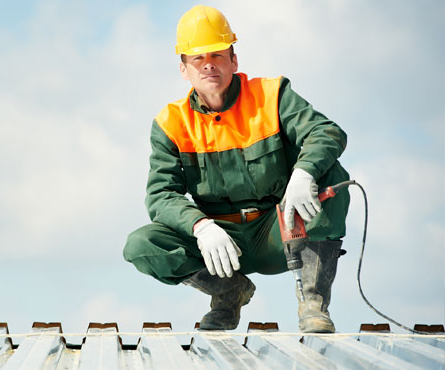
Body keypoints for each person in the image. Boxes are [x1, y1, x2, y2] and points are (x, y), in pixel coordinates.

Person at [123, 5, 350, 333]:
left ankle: (313, 302)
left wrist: (304, 172)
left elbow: (327, 133)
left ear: (234, 60)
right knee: (141, 245)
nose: (209, 64)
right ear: (184, 69)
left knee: (332, 176)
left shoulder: (272, 96)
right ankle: (229, 293)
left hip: (281, 232)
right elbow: (160, 196)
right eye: (197, 58)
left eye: (217, 54)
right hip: (221, 246)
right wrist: (201, 226)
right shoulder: (170, 124)